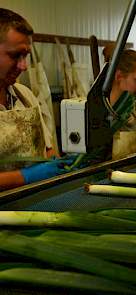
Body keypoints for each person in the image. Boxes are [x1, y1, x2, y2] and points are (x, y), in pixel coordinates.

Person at [0, 8, 60, 191]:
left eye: (25, 55)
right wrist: (26, 177)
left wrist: (60, 164)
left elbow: (47, 150)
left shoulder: (24, 96)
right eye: (15, 55)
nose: (24, 66)